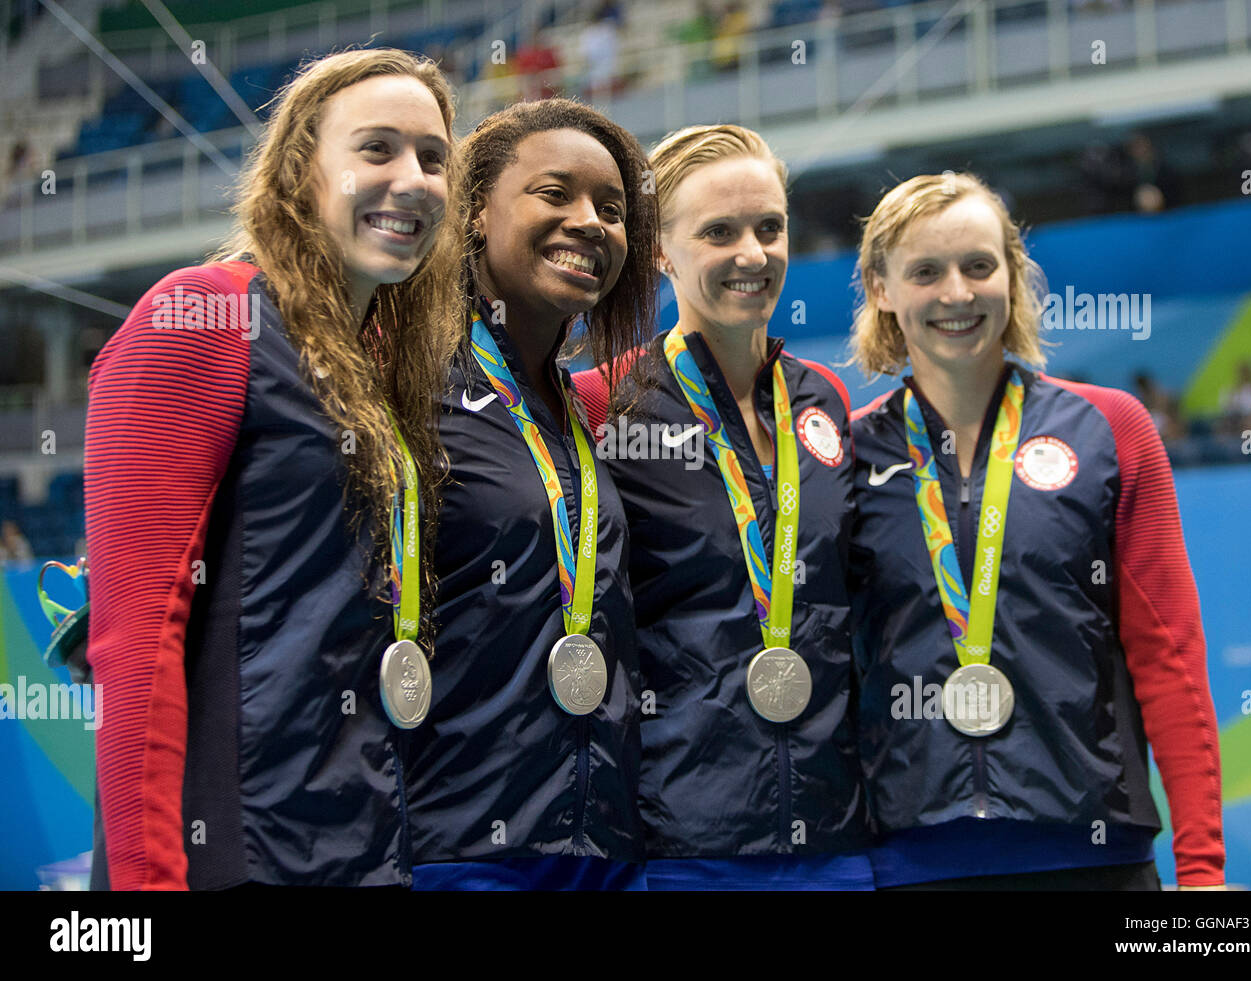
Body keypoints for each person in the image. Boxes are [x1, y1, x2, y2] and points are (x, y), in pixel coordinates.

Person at [83, 49, 463, 889]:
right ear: (300, 170)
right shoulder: (201, 317)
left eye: (434, 159)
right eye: (377, 149)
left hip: (362, 848)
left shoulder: (383, 368)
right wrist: (146, 890)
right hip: (228, 856)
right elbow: (136, 646)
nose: (414, 179)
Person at [848, 172, 1225, 890]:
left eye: (979, 266)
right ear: (881, 290)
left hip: (1095, 858)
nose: (957, 293)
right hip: (909, 865)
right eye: (926, 272)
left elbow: (1169, 655)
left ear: (1013, 278)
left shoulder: (1112, 428)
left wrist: (1203, 874)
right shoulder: (845, 455)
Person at [573, 124, 873, 890]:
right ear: (661, 252)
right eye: (719, 231)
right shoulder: (605, 403)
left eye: (769, 227)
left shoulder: (825, 402)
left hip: (835, 837)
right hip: (681, 843)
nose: (753, 253)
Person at [403, 98, 659, 890]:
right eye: (555, 194)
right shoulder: (404, 381)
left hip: (604, 847)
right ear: (475, 210)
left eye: (612, 210)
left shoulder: (579, 410)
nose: (590, 223)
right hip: (454, 850)